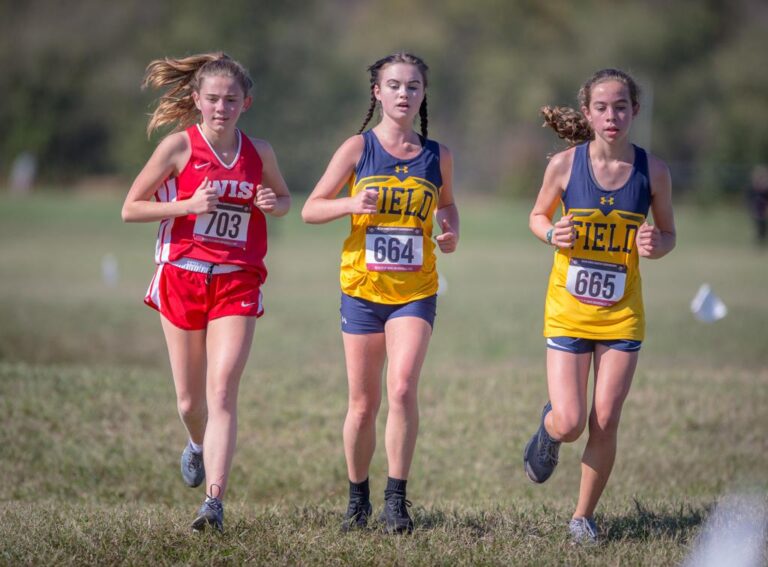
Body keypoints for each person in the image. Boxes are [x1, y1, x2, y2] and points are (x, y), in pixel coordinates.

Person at [121, 52, 291, 532]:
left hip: (237, 277)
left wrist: (270, 202)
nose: (221, 107)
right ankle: (196, 444)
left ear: (246, 103)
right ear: (197, 100)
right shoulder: (178, 148)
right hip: (182, 275)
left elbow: (283, 200)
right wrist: (187, 205)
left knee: (222, 391)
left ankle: (213, 505)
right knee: (190, 404)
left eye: (231, 100)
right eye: (213, 99)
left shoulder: (260, 152)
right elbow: (130, 208)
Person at [301, 52, 459, 534]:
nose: (403, 94)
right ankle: (357, 500)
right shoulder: (357, 148)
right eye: (393, 85)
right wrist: (351, 201)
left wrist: (449, 233)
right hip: (363, 288)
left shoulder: (439, 155)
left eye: (413, 86)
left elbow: (448, 208)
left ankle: (396, 500)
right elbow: (311, 208)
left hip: (415, 290)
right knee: (363, 403)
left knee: (403, 387)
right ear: (377, 92)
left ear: (423, 94)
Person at [523, 69, 676, 544]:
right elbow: (536, 215)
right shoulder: (565, 166)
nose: (613, 116)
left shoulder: (654, 171)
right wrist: (552, 233)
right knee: (570, 421)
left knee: (605, 418)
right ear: (587, 113)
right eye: (603, 108)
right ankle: (549, 430)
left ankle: (582, 517)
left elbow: (669, 234)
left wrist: (656, 242)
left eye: (622, 106)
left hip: (622, 313)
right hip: (568, 309)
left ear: (635, 111)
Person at [747, 164, 768, 247]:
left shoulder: (765, 188)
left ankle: (761, 241)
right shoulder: (752, 188)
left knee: (763, 227)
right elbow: (749, 199)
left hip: (763, 210)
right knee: (758, 226)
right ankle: (759, 242)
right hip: (757, 210)